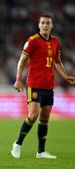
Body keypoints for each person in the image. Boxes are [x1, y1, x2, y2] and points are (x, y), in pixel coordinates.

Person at [11, 15, 75, 159]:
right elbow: (22, 61)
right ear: (39, 25)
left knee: (45, 118)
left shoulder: (55, 41)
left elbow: (57, 62)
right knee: (33, 115)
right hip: (34, 84)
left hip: (49, 86)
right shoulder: (32, 40)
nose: (45, 25)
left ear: (51, 26)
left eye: (48, 23)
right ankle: (18, 144)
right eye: (43, 23)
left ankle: (41, 151)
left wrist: (65, 76)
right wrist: (18, 80)